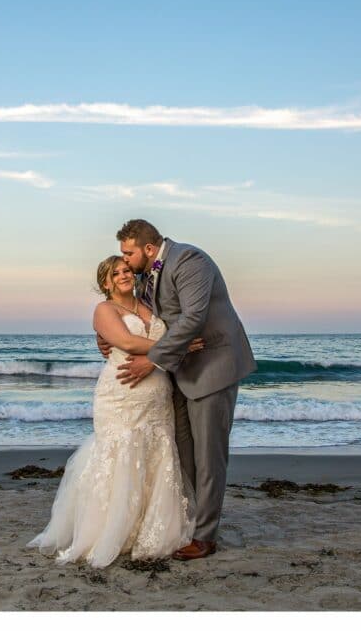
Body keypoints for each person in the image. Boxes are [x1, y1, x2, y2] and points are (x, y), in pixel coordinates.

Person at [27, 255, 202, 568]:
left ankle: (150, 528)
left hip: (157, 396)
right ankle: (111, 531)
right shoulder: (104, 310)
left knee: (156, 457)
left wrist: (178, 343)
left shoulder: (150, 305)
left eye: (125, 270)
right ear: (105, 284)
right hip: (122, 393)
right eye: (115, 273)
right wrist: (180, 345)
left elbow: (167, 332)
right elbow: (125, 341)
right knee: (120, 457)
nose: (123, 274)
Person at [104, 219, 257, 561]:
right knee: (181, 454)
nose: (125, 261)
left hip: (212, 367)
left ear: (147, 248)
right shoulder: (146, 275)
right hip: (179, 372)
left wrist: (152, 360)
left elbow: (192, 318)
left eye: (128, 253)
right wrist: (108, 336)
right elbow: (136, 314)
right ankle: (187, 524)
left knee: (209, 457)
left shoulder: (190, 261)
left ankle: (205, 537)